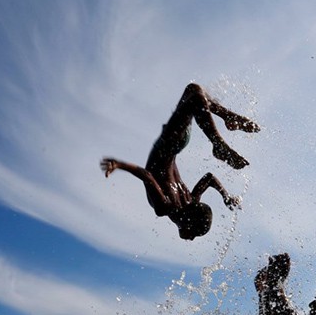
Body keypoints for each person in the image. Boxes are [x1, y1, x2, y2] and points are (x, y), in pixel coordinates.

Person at [100, 83, 260, 240]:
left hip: (176, 143)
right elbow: (147, 176)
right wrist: (119, 164)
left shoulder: (188, 201)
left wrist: (225, 196)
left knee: (194, 93)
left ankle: (226, 121)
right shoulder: (170, 206)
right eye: (194, 234)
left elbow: (209, 178)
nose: (191, 239)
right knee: (195, 94)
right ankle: (219, 143)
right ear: (188, 222)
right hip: (169, 143)